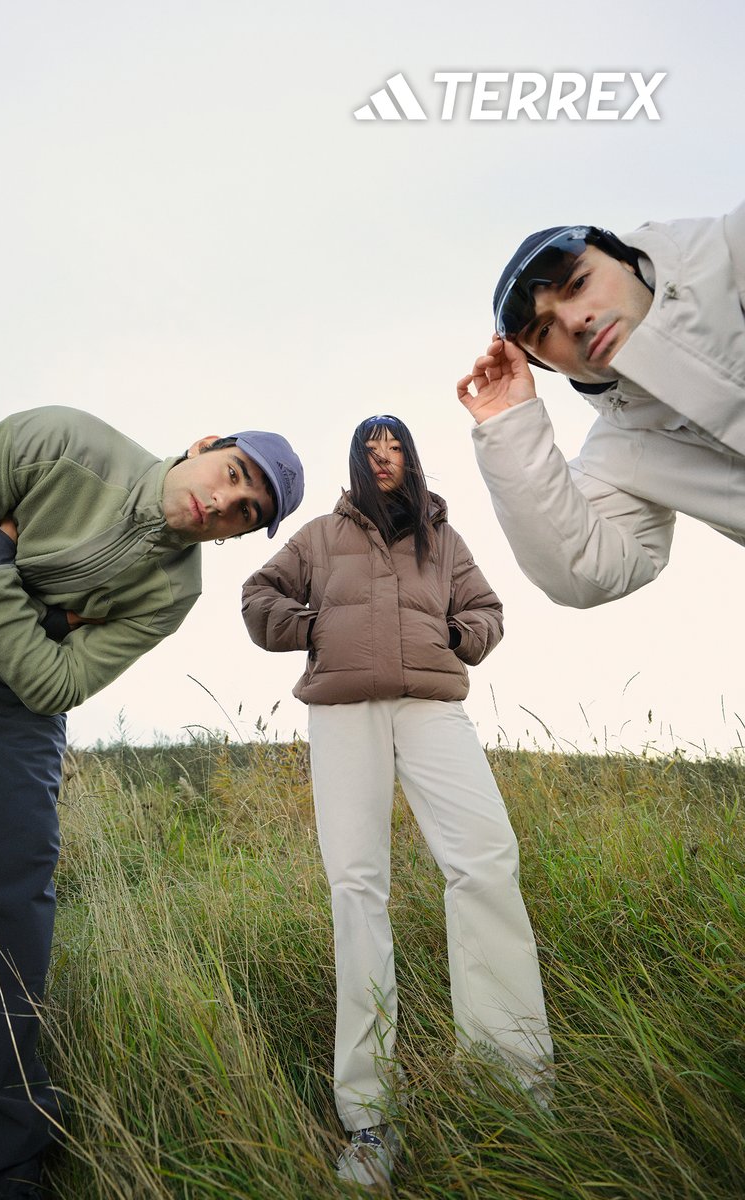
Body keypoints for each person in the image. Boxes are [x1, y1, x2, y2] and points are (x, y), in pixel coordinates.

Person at [0, 405, 304, 1199]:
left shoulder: (173, 591)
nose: (224, 503)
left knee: (4, 909)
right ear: (205, 444)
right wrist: (41, 620)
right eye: (233, 475)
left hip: (9, 708)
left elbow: (56, 682)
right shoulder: (60, 444)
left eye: (246, 514)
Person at [242, 415, 552, 1190]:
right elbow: (257, 596)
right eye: (371, 449)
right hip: (344, 711)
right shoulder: (318, 537)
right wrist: (314, 629)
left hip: (431, 708)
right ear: (357, 461)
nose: (384, 458)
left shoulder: (443, 540)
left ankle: (510, 1088)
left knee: (485, 863)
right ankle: (370, 1119)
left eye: (396, 448)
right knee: (357, 887)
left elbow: (488, 610)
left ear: (411, 458)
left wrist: (460, 637)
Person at [457, 205, 745, 608]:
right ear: (546, 366)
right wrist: (508, 427)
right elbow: (584, 572)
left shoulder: (732, 249)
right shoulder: (621, 454)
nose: (575, 322)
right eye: (544, 330)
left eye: (578, 284)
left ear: (623, 259)